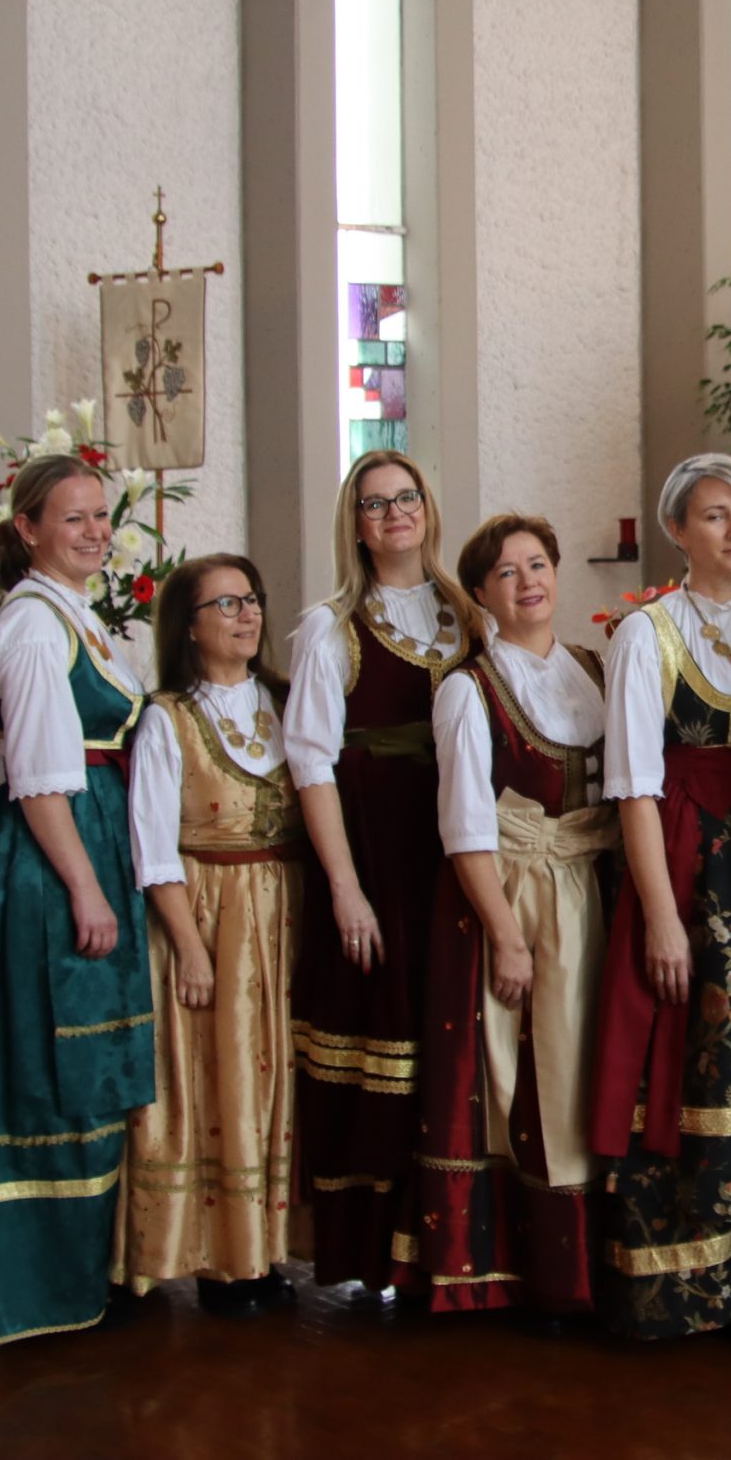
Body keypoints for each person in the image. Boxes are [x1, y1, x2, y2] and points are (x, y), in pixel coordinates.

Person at [0, 453, 154, 1348]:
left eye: (101, 515)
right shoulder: (34, 626)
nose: (95, 532)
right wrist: (84, 887)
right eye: (73, 518)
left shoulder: (73, 612)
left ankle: (87, 1267)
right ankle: (35, 1285)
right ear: (27, 529)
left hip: (89, 835)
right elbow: (36, 778)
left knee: (91, 1057)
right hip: (55, 853)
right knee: (53, 1056)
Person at [397, 514, 617, 1320]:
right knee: (532, 1074)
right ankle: (543, 1271)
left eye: (538, 564)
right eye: (506, 571)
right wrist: (506, 936)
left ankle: (600, 1259)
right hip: (518, 896)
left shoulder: (594, 667)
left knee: (591, 1067)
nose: (528, 581)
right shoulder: (469, 689)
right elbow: (465, 827)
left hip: (595, 883)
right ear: (482, 594)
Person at [585, 455, 731, 1339]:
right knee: (687, 1052)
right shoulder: (647, 633)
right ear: (677, 531)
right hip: (686, 864)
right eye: (713, 515)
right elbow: (632, 782)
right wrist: (662, 916)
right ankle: (679, 1286)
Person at [284, 451, 472, 1297]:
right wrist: (345, 886)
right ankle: (376, 1251)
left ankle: (454, 1243)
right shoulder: (331, 628)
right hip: (380, 851)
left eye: (406, 497)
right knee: (385, 1034)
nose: (395, 513)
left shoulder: (468, 612)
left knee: (454, 1036)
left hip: (460, 848)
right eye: (374, 503)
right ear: (355, 524)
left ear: (427, 507)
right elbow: (311, 764)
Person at [115, 555, 306, 1317]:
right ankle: (221, 1259)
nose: (246, 614)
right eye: (225, 604)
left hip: (285, 906)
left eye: (251, 599)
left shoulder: (286, 700)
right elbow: (152, 845)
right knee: (217, 1073)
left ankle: (268, 1247)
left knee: (276, 1076)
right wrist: (188, 945)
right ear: (188, 627)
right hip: (209, 912)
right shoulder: (168, 717)